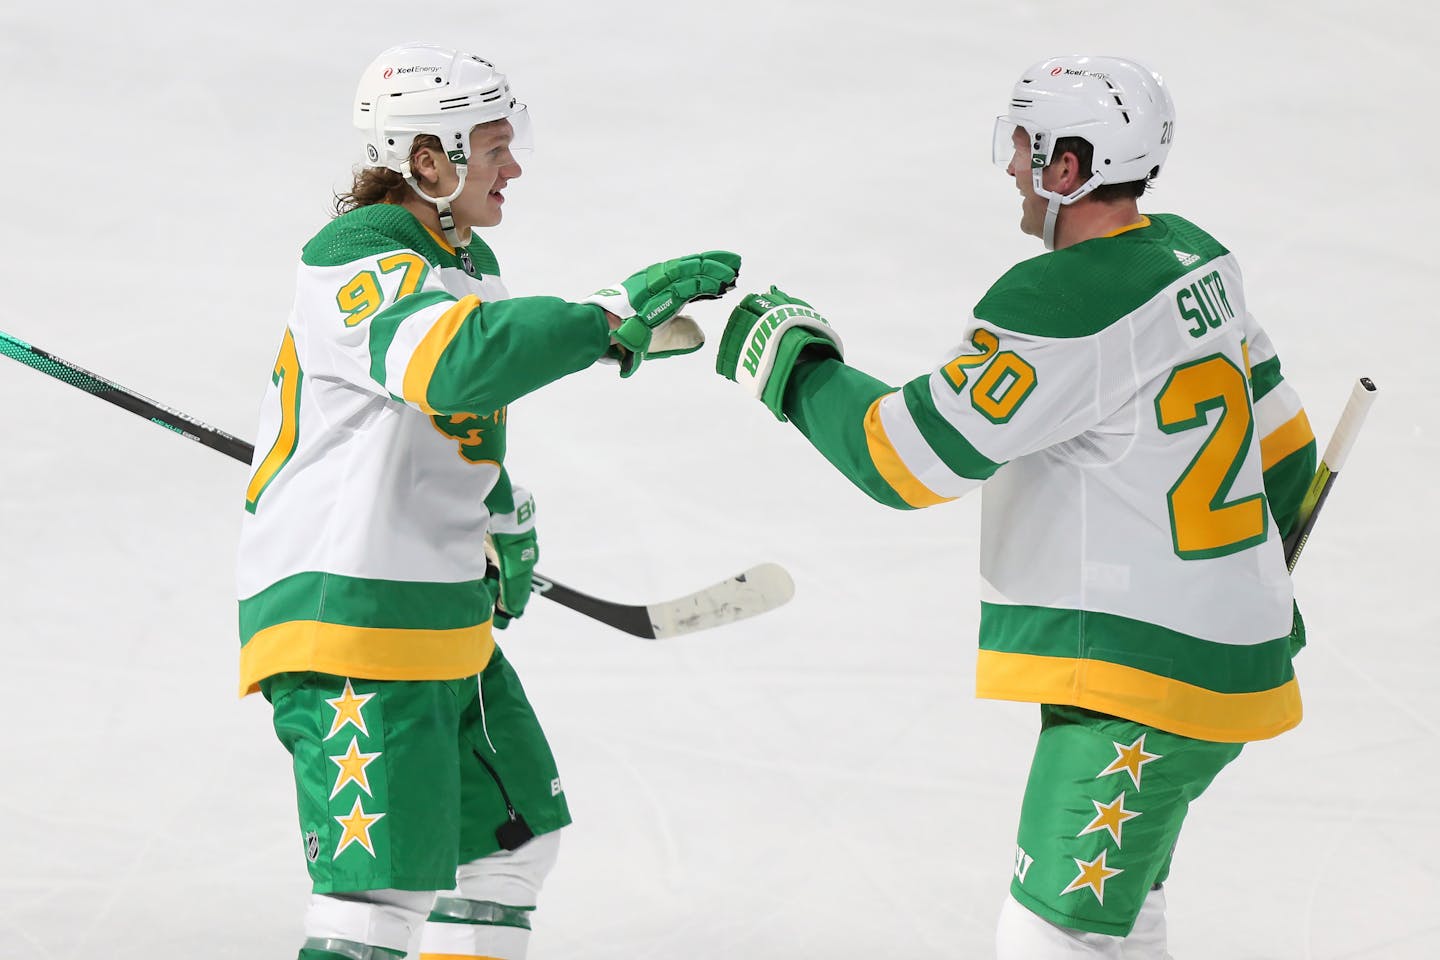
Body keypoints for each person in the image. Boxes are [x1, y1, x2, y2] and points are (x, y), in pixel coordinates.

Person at [715, 56, 1315, 958]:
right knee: (1124, 915)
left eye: (1026, 146)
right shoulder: (1200, 259)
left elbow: (903, 458)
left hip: (1142, 685)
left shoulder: (1060, 300)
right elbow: (1290, 456)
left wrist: (792, 366)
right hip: (1215, 661)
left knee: (1051, 937)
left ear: (1067, 169)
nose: (1011, 166)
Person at [235, 42, 739, 960]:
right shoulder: (355, 253)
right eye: (493, 145)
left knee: (508, 846)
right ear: (428, 160)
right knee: (375, 900)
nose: (512, 165)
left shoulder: (466, 259)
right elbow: (448, 364)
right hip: (349, 614)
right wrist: (598, 318)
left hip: (429, 613)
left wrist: (497, 517)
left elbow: (461, 410)